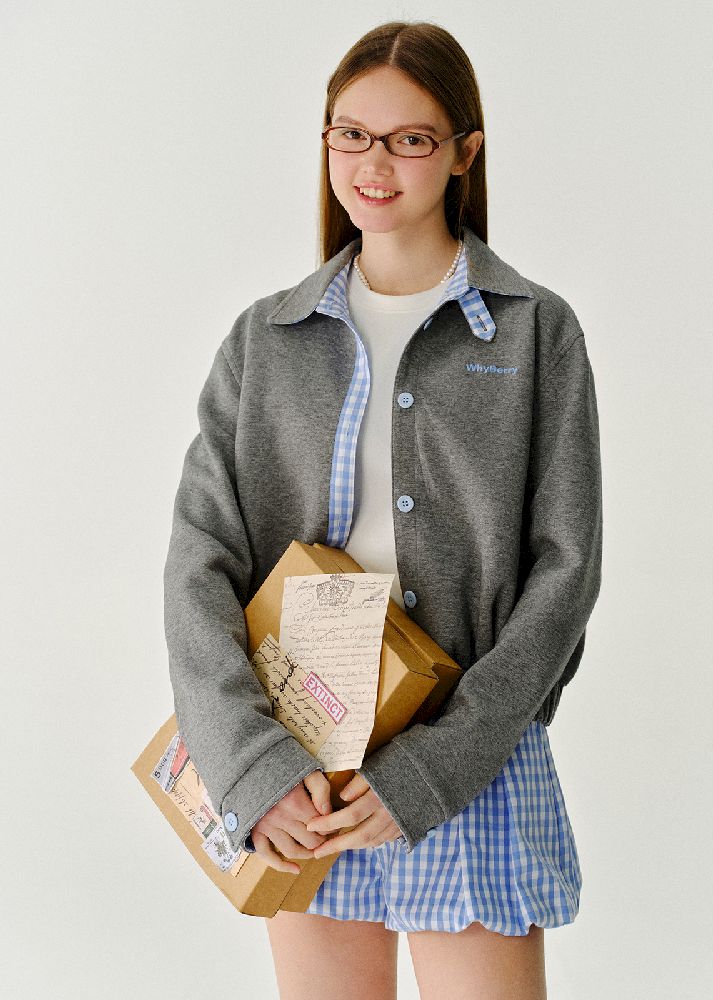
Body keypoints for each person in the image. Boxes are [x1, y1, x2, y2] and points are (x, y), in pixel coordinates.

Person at [163, 19, 603, 1000]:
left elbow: (566, 571)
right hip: (302, 764)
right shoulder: (265, 339)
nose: (374, 164)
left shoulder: (536, 334)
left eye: (409, 139)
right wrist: (253, 763)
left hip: (471, 758)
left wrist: (440, 764)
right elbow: (199, 560)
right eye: (351, 134)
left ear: (463, 153)